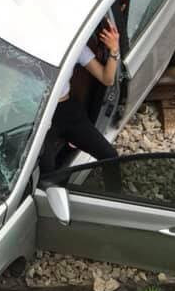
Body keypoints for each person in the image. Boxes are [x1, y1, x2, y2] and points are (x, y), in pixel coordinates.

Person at [40, 24, 120, 180]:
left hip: (66, 109)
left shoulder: (75, 46)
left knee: (110, 156)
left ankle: (116, 199)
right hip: (40, 113)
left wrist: (114, 50)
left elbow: (107, 78)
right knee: (47, 172)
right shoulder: (30, 43)